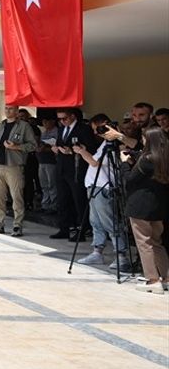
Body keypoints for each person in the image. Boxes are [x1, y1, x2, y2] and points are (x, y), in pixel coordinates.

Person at [74, 126, 132, 272]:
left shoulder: (116, 146)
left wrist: (81, 151)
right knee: (95, 222)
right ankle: (97, 252)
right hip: (94, 186)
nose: (99, 133)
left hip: (104, 187)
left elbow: (95, 163)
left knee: (110, 223)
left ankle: (121, 255)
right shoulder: (104, 144)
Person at [124, 128, 169, 293]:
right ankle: (166, 277)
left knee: (144, 243)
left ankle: (152, 279)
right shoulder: (164, 158)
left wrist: (124, 164)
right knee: (157, 243)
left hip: (140, 206)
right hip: (159, 207)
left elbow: (130, 179)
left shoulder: (146, 159)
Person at [0, 104, 38, 236]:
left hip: (14, 166)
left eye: (10, 109)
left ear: (16, 111)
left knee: (17, 197)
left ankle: (17, 225)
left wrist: (16, 147)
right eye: (5, 108)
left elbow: (33, 145)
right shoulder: (0, 126)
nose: (7, 111)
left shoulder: (24, 126)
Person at [51, 108, 98, 242]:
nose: (62, 121)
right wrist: (57, 148)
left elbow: (90, 148)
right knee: (62, 199)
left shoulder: (83, 129)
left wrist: (72, 151)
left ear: (72, 116)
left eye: (64, 118)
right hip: (62, 167)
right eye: (59, 119)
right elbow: (60, 143)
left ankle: (82, 229)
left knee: (79, 200)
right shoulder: (61, 129)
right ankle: (64, 227)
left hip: (77, 168)